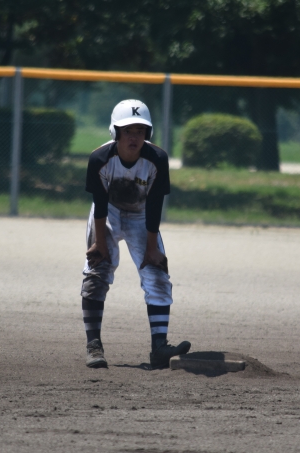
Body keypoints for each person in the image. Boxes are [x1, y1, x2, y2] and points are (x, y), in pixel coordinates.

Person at [80, 99, 191, 369]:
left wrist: (152, 248)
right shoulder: (100, 159)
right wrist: (100, 243)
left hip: (142, 214)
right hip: (108, 212)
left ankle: (159, 347)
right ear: (115, 132)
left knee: (157, 273)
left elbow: (154, 206)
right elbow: (100, 203)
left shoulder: (156, 159)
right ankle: (94, 346)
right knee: (98, 270)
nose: (134, 137)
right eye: (128, 130)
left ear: (148, 133)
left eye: (140, 131)